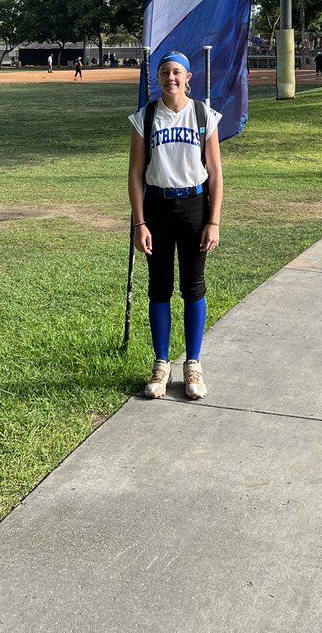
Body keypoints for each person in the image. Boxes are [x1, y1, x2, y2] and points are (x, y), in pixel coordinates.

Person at [127, 51, 223, 401]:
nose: (171, 78)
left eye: (177, 72)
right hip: (158, 207)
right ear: (158, 78)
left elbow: (215, 172)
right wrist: (139, 222)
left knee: (193, 285)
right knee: (159, 286)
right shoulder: (145, 117)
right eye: (165, 72)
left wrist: (213, 220)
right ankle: (162, 365)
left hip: (195, 207)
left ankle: (193, 365)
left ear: (188, 77)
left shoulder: (203, 115)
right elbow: (136, 173)